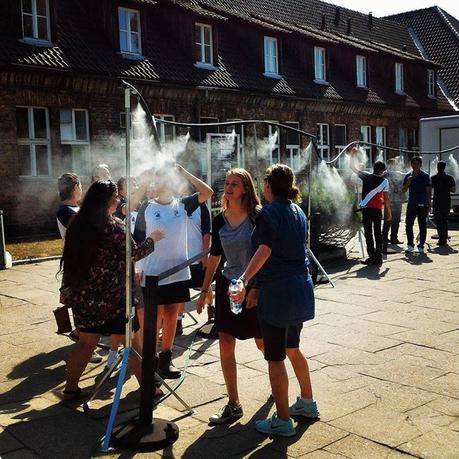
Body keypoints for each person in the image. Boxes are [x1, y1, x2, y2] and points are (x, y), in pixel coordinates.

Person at [232, 164, 318, 437]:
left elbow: (265, 250)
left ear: (268, 187)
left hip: (278, 294)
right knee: (293, 348)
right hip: (300, 290)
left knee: (275, 358)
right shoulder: (297, 211)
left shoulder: (269, 212)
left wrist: (244, 280)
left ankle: (282, 420)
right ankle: (307, 403)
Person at [59, 180, 164, 400]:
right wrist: (153, 240)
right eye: (115, 197)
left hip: (83, 298)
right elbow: (134, 254)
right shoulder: (115, 227)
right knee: (133, 343)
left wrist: (65, 289)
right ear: (106, 200)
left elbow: (68, 260)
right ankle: (149, 389)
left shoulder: (77, 224)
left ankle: (70, 389)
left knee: (86, 343)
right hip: (114, 300)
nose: (118, 200)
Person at [196, 168, 263, 424]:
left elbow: (266, 252)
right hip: (228, 286)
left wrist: (256, 286)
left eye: (235, 183)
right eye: (227, 183)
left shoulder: (258, 217)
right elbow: (215, 256)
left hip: (254, 287)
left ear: (246, 188)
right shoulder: (219, 219)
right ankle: (233, 403)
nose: (229, 187)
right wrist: (205, 290)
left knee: (262, 343)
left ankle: (277, 387)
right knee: (225, 339)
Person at [134, 162, 213, 379]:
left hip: (178, 272)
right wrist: (137, 267)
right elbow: (137, 240)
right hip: (153, 274)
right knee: (155, 317)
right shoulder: (147, 208)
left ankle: (166, 359)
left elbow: (208, 192)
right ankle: (150, 359)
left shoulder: (183, 205)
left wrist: (183, 170)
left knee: (171, 315)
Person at [176, 200, 212, 336]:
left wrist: (205, 255)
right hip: (181, 258)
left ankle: (211, 309)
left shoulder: (201, 207)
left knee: (204, 286)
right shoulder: (178, 204)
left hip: (197, 255)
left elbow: (206, 233)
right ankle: (178, 323)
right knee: (181, 290)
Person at [350, 149, 392, 265]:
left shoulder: (365, 176)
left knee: (368, 234)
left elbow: (352, 166)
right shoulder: (385, 181)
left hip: (366, 210)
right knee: (377, 233)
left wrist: (353, 154)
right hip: (377, 210)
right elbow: (387, 199)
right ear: (382, 171)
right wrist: (389, 213)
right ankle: (378, 258)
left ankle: (371, 257)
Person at [402, 157, 432, 253]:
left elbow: (428, 191)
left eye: (417, 164)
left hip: (422, 203)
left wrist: (429, 203)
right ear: (411, 165)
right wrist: (408, 182)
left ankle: (421, 245)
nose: (415, 166)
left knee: (422, 225)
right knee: (408, 224)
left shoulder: (425, 176)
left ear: (420, 165)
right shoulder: (408, 176)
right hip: (412, 203)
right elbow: (403, 190)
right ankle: (410, 244)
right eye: (413, 164)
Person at [431, 161, 456, 246]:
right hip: (446, 201)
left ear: (437, 168)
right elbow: (453, 190)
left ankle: (441, 239)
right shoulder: (450, 178)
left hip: (437, 201)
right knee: (445, 220)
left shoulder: (433, 178)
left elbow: (429, 190)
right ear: (445, 167)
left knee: (438, 221)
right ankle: (444, 237)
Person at [385, 158, 406, 244]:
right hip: (395, 200)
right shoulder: (398, 174)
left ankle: (386, 238)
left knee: (389, 220)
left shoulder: (384, 174)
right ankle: (393, 238)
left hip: (389, 200)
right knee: (395, 220)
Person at [56, 173, 82, 239]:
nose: (81, 190)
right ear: (76, 187)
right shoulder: (64, 211)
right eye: (80, 187)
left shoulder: (76, 208)